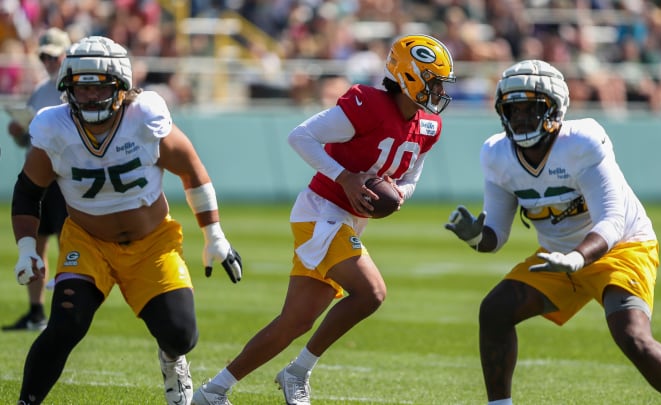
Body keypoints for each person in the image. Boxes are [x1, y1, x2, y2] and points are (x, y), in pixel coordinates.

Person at [192, 34, 456, 405]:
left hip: (346, 222)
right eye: (435, 81)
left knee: (295, 322)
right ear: (410, 76)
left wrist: (399, 195)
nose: (440, 90)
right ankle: (298, 371)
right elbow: (301, 137)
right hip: (320, 213)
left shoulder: (428, 125)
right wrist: (344, 176)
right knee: (371, 293)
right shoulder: (369, 105)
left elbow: (411, 177)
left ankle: (212, 392)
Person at [444, 59, 661, 405]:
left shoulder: (581, 142)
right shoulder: (496, 154)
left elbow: (612, 220)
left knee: (632, 337)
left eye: (530, 108)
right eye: (513, 109)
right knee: (494, 311)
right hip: (557, 256)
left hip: (620, 248)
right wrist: (476, 236)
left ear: (554, 109)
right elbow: (497, 234)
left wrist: (578, 257)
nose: (520, 117)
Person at [11, 36, 243, 405]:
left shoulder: (144, 117)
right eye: (80, 88)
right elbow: (27, 192)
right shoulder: (54, 127)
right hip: (87, 241)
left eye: (98, 88)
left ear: (120, 87)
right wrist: (26, 248)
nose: (87, 97)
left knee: (181, 335)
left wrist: (214, 234)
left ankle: (172, 360)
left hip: (152, 242)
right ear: (67, 88)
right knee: (65, 327)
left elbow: (192, 171)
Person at [3, 27, 71, 332]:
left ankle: (68, 312)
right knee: (37, 243)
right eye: (44, 56)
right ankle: (36, 312)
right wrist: (20, 133)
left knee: (71, 244)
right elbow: (32, 138)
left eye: (52, 55)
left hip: (64, 176)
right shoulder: (42, 89)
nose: (47, 61)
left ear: (66, 55)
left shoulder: (75, 87)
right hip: (41, 176)